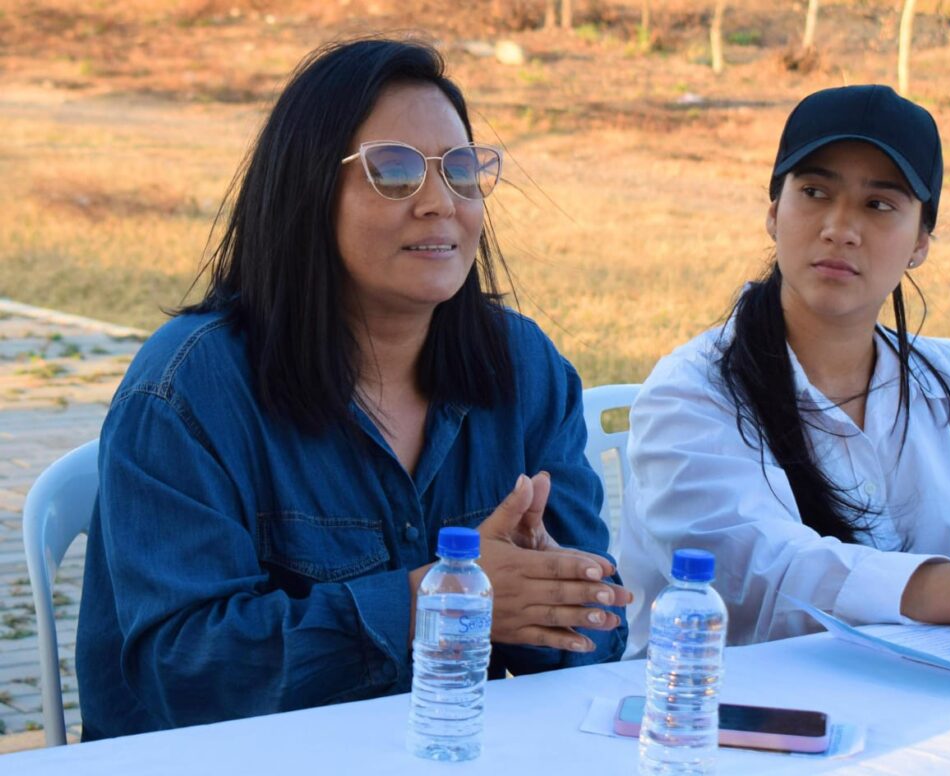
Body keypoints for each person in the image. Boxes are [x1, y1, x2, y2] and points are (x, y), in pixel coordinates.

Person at [76, 37, 631, 740]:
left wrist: (557, 599)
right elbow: (186, 671)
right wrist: (433, 601)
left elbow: (598, 649)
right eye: (394, 172)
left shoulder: (524, 368)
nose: (439, 203)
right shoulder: (185, 392)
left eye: (461, 171)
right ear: (306, 191)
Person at [619, 84, 950, 656]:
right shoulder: (693, 394)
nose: (840, 227)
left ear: (920, 242)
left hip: (933, 712)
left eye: (879, 205)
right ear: (773, 212)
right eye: (815, 191)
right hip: (724, 719)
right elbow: (778, 575)